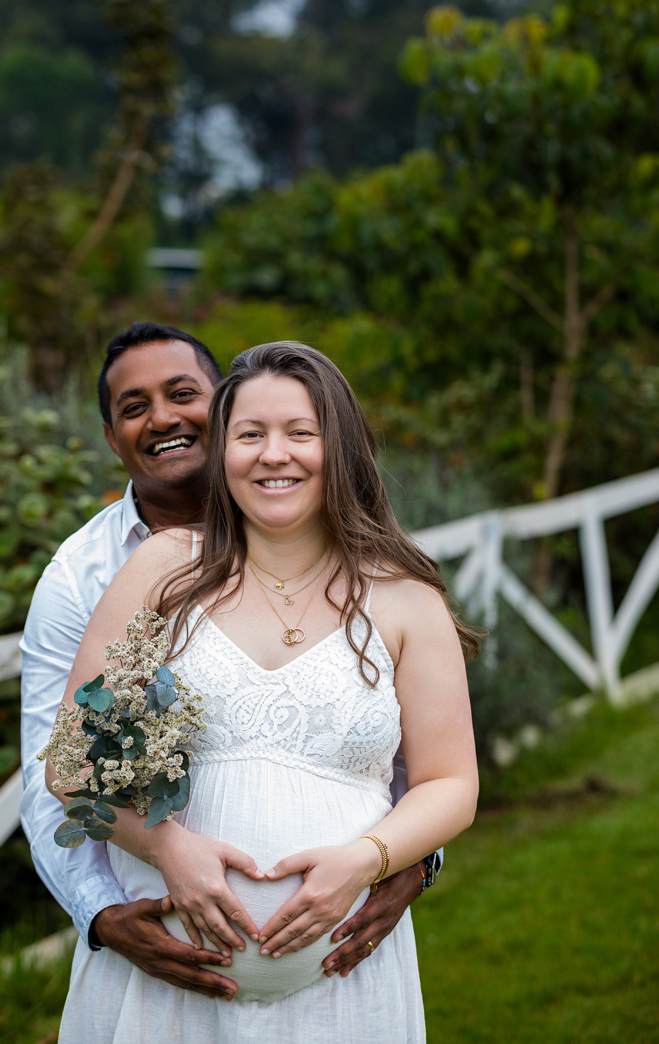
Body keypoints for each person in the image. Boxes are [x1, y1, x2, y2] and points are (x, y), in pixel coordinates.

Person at [47, 341, 479, 1042]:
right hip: (163, 1004)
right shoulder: (162, 573)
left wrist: (364, 859)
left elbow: (451, 782)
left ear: (338, 447)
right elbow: (70, 767)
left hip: (345, 998)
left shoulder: (405, 600)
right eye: (250, 434)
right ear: (223, 452)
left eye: (299, 433)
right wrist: (165, 849)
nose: (273, 454)